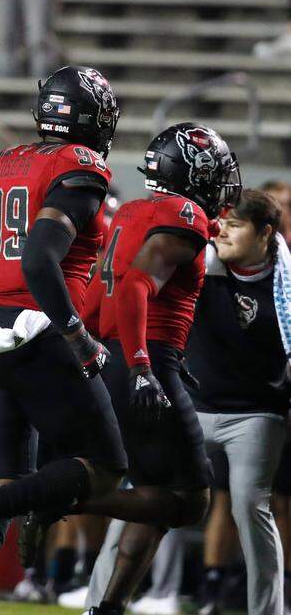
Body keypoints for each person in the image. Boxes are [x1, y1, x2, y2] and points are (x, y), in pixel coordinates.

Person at [0, 65, 126, 613]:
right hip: (39, 329)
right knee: (107, 467)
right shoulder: (80, 167)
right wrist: (75, 335)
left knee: (3, 477)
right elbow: (41, 258)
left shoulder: (6, 164)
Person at [78, 123, 241, 615]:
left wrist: (87, 357)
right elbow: (132, 289)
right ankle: (63, 500)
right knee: (192, 500)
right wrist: (145, 365)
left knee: (154, 495)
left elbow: (93, 298)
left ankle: (109, 607)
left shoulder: (130, 211)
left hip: (112, 356)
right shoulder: (184, 215)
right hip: (139, 362)